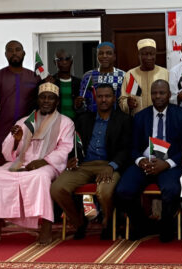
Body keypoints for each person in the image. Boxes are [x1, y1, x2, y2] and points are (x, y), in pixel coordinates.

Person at [0, 83, 74, 245]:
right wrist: (17, 140)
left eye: (50, 98)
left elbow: (64, 149)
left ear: (57, 101)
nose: (46, 101)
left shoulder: (65, 122)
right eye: (43, 97)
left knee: (40, 178)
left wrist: (42, 161)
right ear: (38, 100)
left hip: (48, 165)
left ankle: (46, 227)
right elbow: (8, 153)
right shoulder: (25, 121)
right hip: (21, 163)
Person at [51, 83, 132, 240]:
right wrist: (71, 159)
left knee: (105, 192)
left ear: (114, 98)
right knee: (57, 188)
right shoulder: (84, 119)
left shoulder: (124, 119)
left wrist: (112, 166)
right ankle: (79, 222)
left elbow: (126, 149)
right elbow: (72, 143)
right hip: (83, 166)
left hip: (109, 165)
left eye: (107, 96)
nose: (103, 100)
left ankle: (109, 222)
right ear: (95, 98)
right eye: (100, 96)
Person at [115, 80, 182, 242]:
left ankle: (166, 226)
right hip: (145, 163)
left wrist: (167, 164)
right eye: (154, 93)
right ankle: (143, 225)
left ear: (169, 95)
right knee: (123, 190)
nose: (158, 96)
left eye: (162, 93)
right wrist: (141, 160)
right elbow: (133, 147)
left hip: (169, 164)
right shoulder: (140, 117)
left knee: (171, 190)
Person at [0, 40, 42, 167]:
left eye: (17, 50)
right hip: (1, 134)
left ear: (24, 53)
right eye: (10, 50)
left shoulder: (34, 78)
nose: (14, 53)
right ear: (5, 54)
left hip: (27, 132)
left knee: (23, 169)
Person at [119, 38, 169, 115]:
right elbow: (122, 101)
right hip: (137, 119)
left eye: (151, 54)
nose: (149, 57)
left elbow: (171, 98)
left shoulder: (165, 73)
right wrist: (127, 104)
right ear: (139, 55)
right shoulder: (130, 75)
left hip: (160, 118)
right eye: (145, 54)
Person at [76, 42, 126, 113]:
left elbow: (126, 102)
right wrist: (79, 105)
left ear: (114, 56)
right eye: (101, 53)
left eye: (108, 53)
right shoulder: (88, 76)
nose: (104, 56)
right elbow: (83, 103)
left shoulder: (123, 76)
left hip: (117, 117)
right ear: (97, 56)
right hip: (92, 117)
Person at [51, 49, 81, 120]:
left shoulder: (80, 83)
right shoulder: (50, 82)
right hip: (55, 123)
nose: (64, 62)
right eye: (60, 59)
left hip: (75, 123)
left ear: (71, 61)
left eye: (67, 59)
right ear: (55, 62)